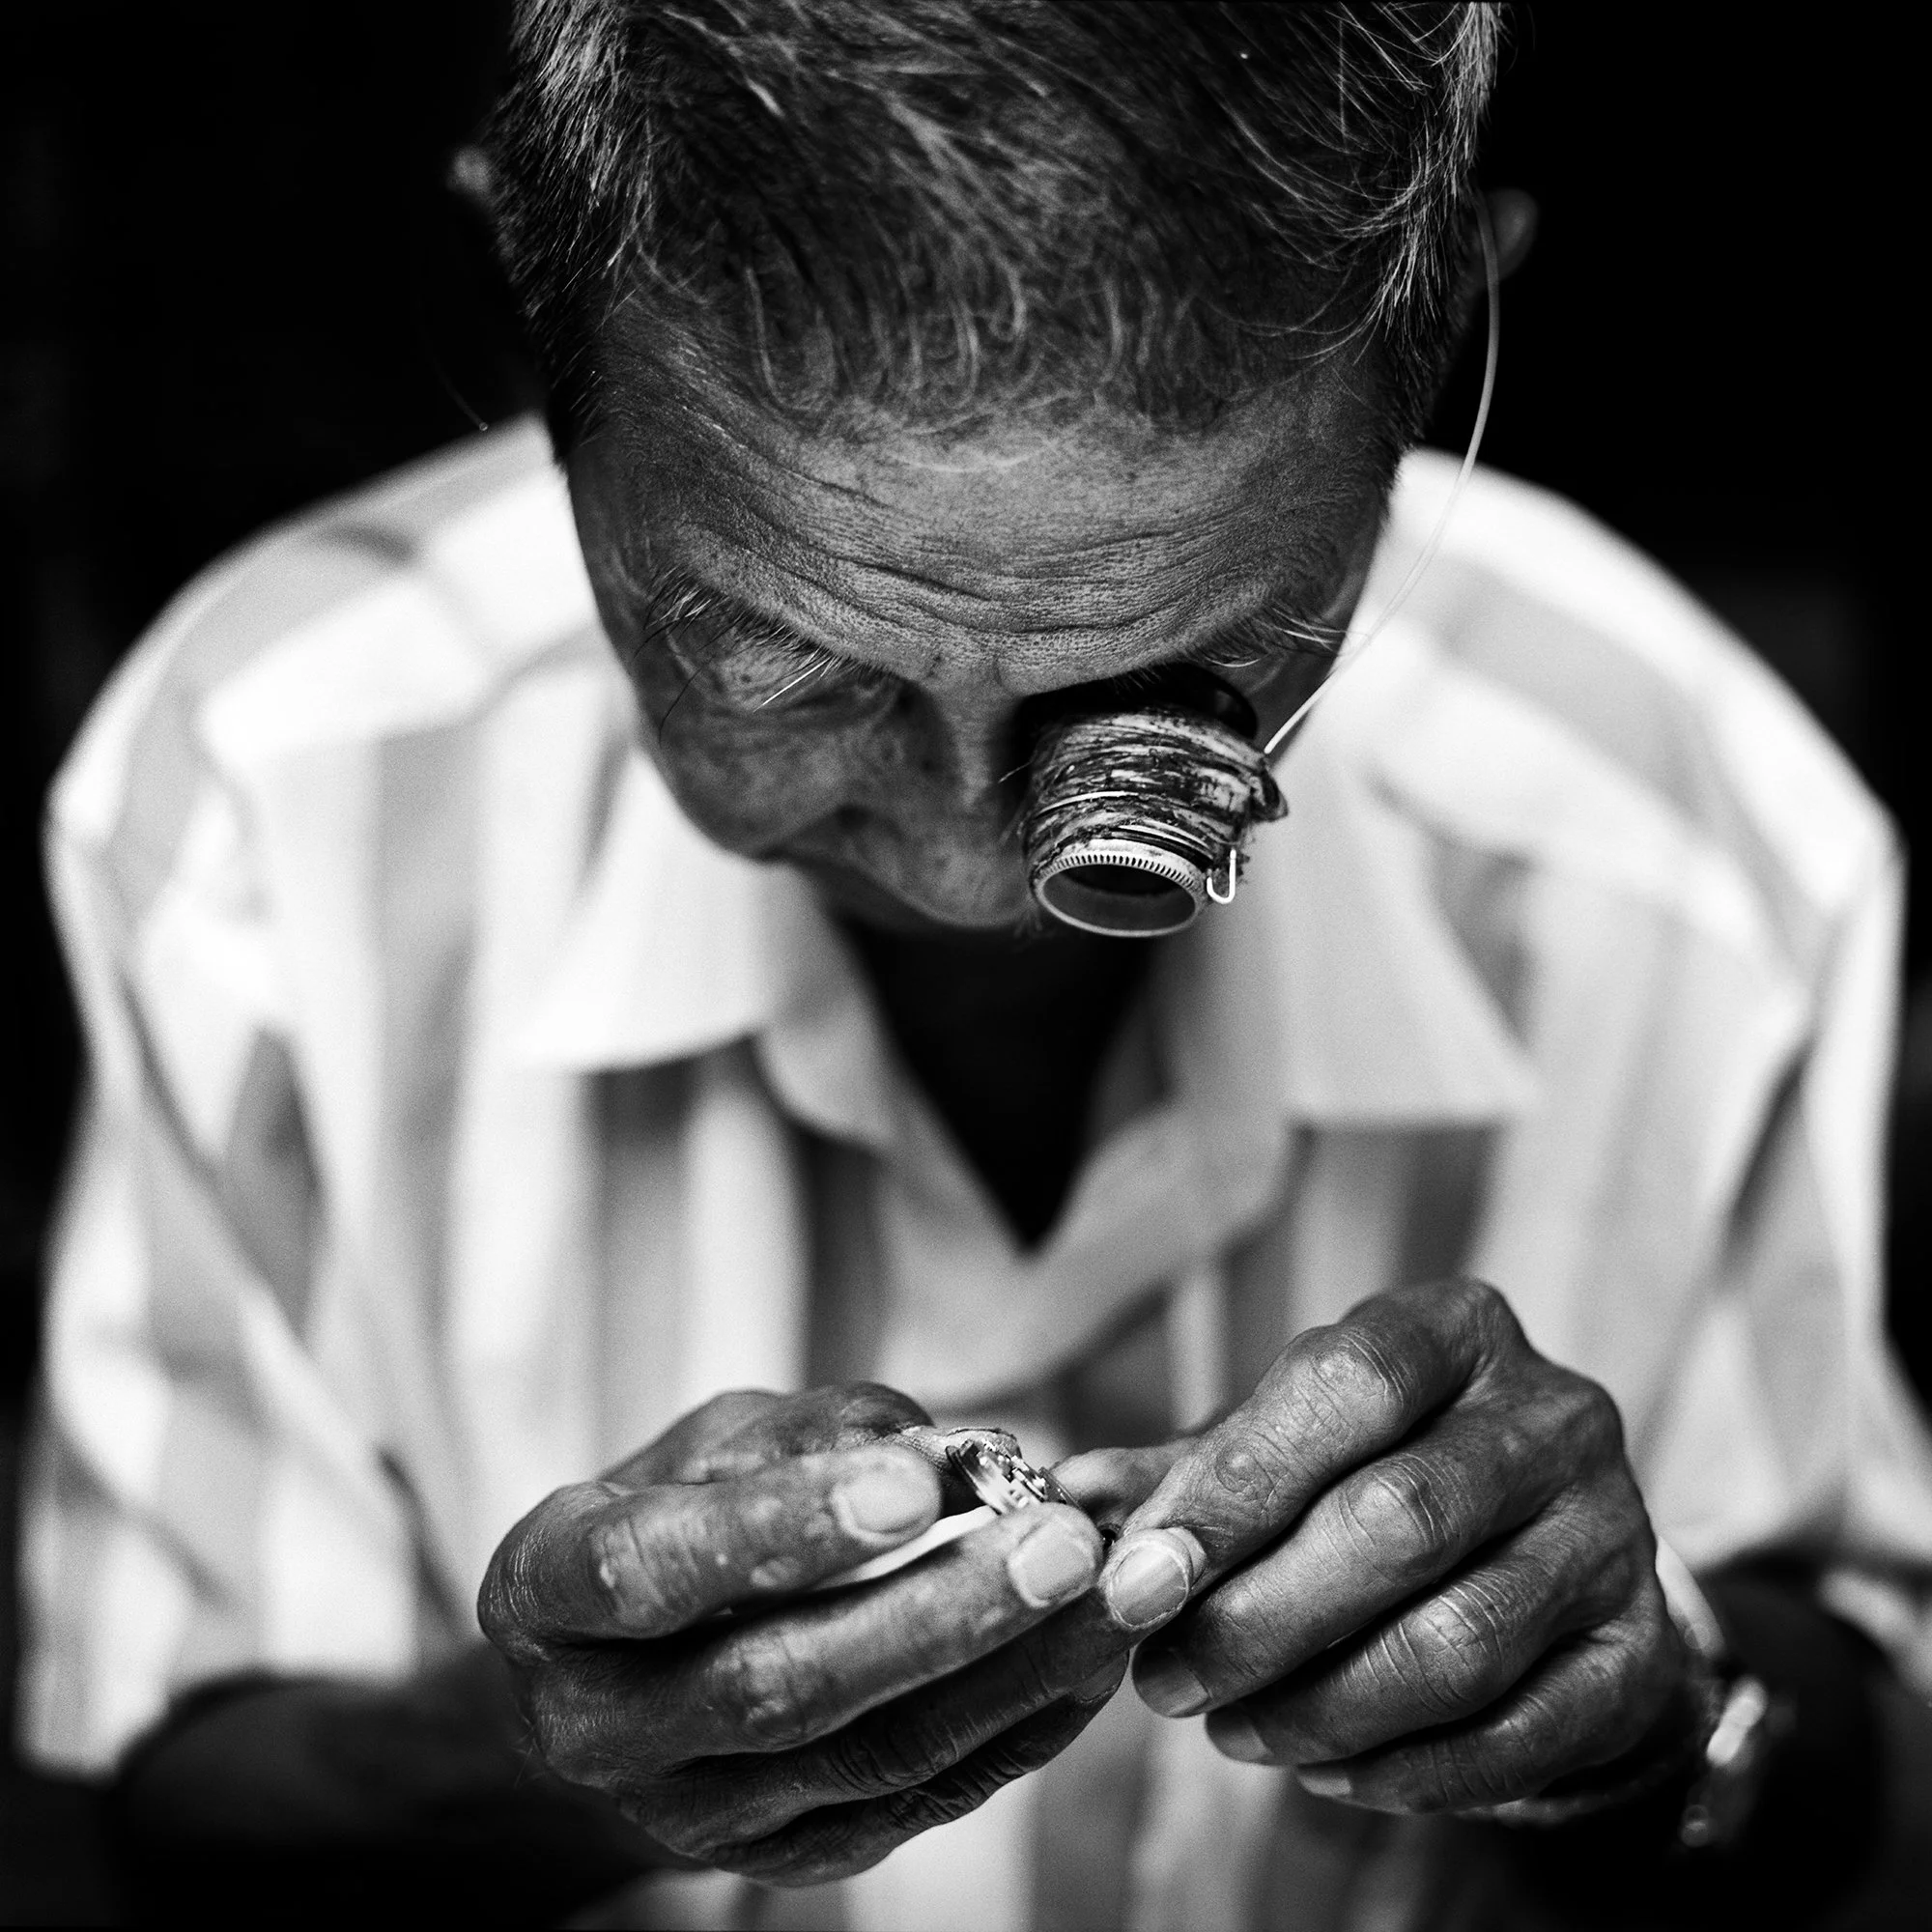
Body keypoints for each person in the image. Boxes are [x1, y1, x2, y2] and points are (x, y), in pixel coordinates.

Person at [18, 5, 1932, 1926]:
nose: (967, 873)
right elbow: (166, 1819)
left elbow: (1874, 1803)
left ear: (1430, 351)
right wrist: (551, 1760)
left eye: (1161, 701)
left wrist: (1651, 1706)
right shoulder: (271, 814)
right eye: (777, 670)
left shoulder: (1682, 845)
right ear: (541, 326)